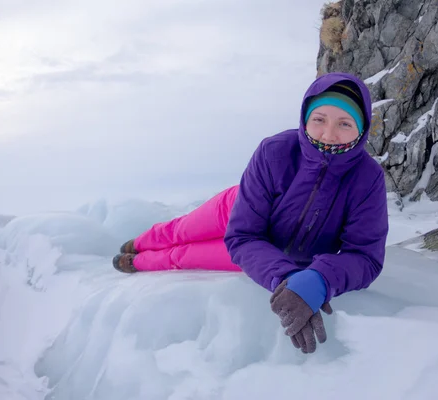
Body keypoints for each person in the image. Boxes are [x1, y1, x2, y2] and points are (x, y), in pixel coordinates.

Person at [112, 72, 389, 353]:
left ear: (361, 128)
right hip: (239, 212)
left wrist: (318, 278)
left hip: (265, 252)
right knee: (181, 231)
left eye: (344, 123)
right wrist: (286, 279)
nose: (329, 134)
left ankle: (137, 263)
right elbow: (243, 234)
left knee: (183, 257)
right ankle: (139, 243)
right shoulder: (275, 150)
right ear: (306, 117)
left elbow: (365, 255)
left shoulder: (368, 179)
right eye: (319, 119)